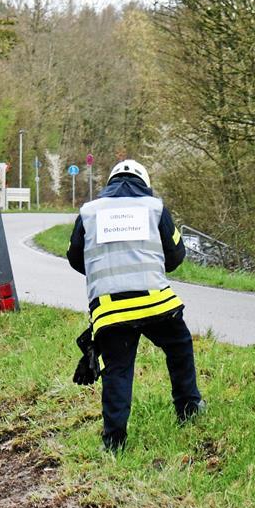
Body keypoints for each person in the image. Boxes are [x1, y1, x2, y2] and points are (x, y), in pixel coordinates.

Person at [67, 159, 204, 452]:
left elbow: (76, 257)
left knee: (117, 370)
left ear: (110, 182)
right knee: (179, 346)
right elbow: (176, 253)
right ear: (145, 182)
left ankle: (114, 442)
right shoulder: (155, 208)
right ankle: (188, 408)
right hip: (155, 302)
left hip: (110, 309)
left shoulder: (89, 212)